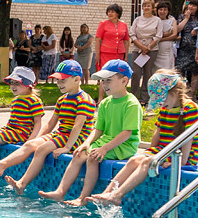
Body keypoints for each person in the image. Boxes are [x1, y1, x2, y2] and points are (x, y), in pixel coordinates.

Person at [90, 70, 198, 206]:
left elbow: (188, 139)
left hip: (182, 155)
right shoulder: (166, 108)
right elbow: (158, 132)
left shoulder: (189, 108)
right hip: (164, 150)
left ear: (174, 92)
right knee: (134, 160)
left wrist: (182, 163)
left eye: (162, 99)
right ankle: (107, 193)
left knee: (146, 162)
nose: (161, 104)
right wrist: (150, 150)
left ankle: (117, 196)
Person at [39, 59, 142, 205]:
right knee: (79, 154)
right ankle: (60, 192)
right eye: (102, 81)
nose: (104, 85)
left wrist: (104, 149)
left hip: (124, 145)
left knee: (92, 157)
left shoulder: (131, 104)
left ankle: (82, 199)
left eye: (108, 80)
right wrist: (86, 143)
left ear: (124, 80)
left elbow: (126, 134)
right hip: (106, 141)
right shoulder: (106, 102)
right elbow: (98, 129)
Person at [0, 60, 96, 194]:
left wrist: (67, 147)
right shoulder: (62, 99)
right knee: (30, 145)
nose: (59, 83)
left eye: (63, 80)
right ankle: (1, 165)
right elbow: (51, 124)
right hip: (62, 134)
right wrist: (36, 139)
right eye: (58, 80)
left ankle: (22, 183)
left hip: (77, 138)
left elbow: (77, 127)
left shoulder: (84, 100)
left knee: (42, 149)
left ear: (77, 79)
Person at [128, 0, 163, 104]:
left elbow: (158, 36)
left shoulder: (157, 20)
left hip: (152, 50)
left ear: (153, 8)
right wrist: (142, 47)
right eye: (144, 5)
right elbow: (132, 34)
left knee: (148, 74)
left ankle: (145, 98)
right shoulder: (137, 19)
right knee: (136, 73)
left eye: (148, 6)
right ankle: (133, 97)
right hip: (137, 50)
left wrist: (148, 47)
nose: (146, 8)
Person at [94, 4, 129, 75]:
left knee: (117, 73)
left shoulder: (124, 25)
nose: (110, 13)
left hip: (120, 54)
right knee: (106, 73)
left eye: (112, 12)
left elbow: (126, 41)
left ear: (118, 13)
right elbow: (98, 40)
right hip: (106, 54)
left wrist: (126, 56)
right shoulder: (103, 24)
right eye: (108, 12)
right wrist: (97, 55)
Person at [175, 0, 198, 91]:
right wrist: (186, 18)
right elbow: (177, 29)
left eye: (194, 5)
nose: (191, 7)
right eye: (190, 5)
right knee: (179, 70)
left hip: (195, 49)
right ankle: (181, 92)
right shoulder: (182, 17)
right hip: (183, 48)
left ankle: (192, 93)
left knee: (194, 72)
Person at [154, 1, 177, 70]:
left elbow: (174, 35)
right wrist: (165, 35)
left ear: (168, 11)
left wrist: (160, 39)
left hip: (167, 52)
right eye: (160, 9)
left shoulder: (172, 20)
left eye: (165, 10)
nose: (162, 12)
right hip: (156, 52)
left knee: (167, 71)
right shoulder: (154, 20)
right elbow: (152, 35)